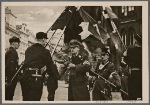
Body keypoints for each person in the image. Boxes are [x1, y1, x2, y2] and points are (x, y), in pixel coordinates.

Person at [20, 32, 60, 101]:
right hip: (35, 78)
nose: (46, 42)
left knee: (26, 99)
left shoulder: (28, 49)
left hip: (25, 77)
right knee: (35, 99)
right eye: (45, 40)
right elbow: (50, 66)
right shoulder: (45, 51)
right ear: (44, 39)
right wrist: (57, 76)